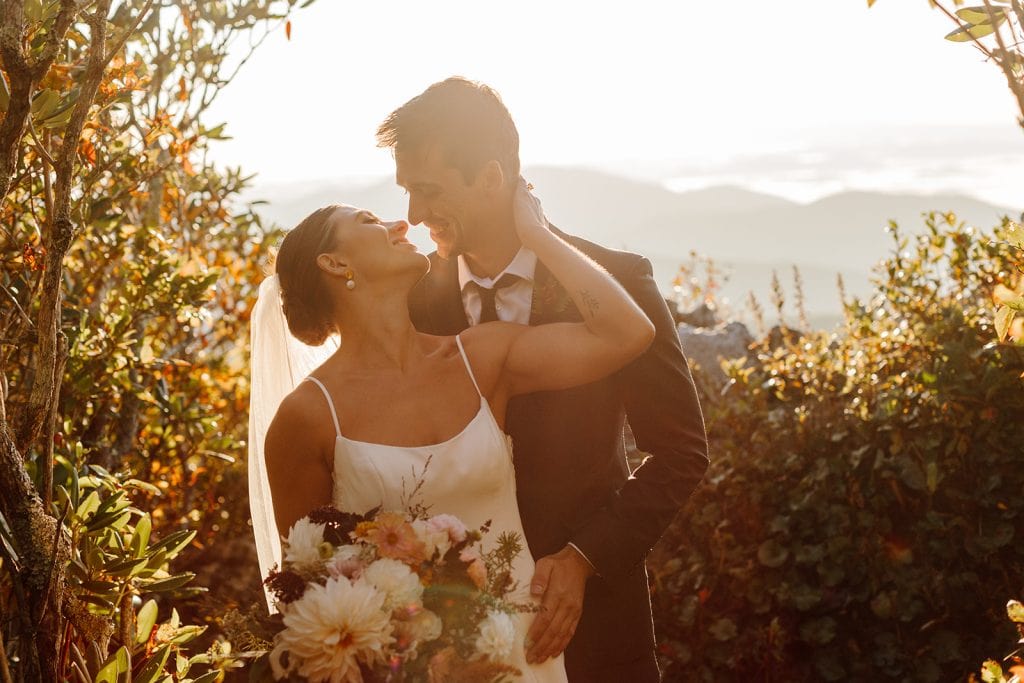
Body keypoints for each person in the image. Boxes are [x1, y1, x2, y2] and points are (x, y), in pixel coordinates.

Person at [249, 181, 655, 681]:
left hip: (527, 651)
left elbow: (627, 334)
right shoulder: (307, 416)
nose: (400, 223)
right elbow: (307, 591)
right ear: (334, 264)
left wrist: (538, 234)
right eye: (370, 223)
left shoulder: (479, 357)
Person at [379, 77, 709, 681]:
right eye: (407, 192)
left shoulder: (619, 284)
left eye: (429, 190)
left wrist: (584, 559)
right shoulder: (411, 301)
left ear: (491, 179)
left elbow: (682, 452)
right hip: (449, 639)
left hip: (598, 632)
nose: (414, 215)